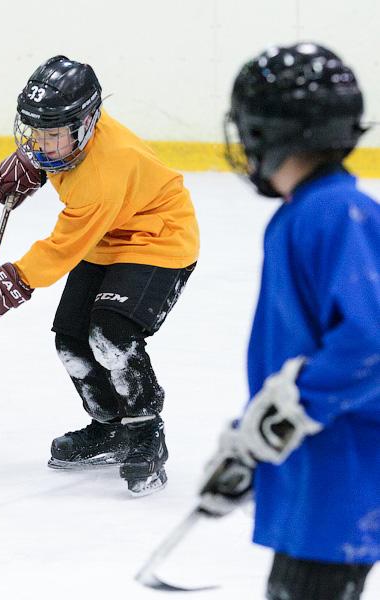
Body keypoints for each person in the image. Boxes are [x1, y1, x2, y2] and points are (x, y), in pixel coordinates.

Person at [0, 56, 199, 496]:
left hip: (157, 239)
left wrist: (12, 282)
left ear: (86, 124)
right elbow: (56, 167)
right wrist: (34, 164)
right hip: (106, 236)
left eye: (53, 135)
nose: (43, 144)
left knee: (110, 335)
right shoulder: (68, 142)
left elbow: (62, 248)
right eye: (36, 132)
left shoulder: (104, 171)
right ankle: (110, 429)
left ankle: (145, 432)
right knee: (71, 340)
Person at [199, 43, 378, 600]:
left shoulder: (332, 213)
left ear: (270, 132)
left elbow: (370, 341)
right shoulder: (307, 212)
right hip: (319, 473)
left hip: (342, 475)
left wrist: (289, 409)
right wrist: (252, 441)